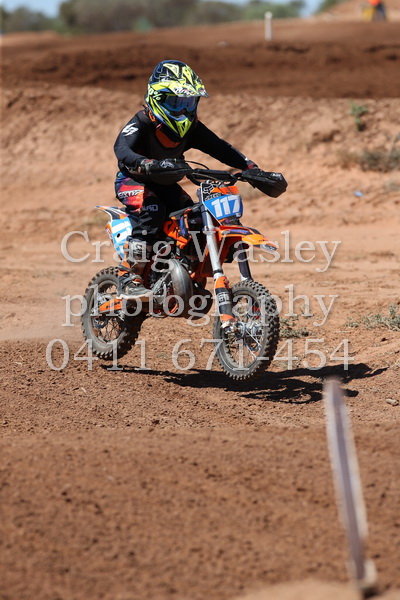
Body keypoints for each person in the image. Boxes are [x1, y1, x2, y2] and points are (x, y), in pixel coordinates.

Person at [114, 60, 257, 301]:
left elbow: (221, 148)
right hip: (133, 182)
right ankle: (130, 277)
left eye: (188, 102)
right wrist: (145, 162)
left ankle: (184, 270)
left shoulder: (192, 128)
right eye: (176, 102)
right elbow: (122, 149)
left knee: (193, 218)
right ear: (157, 98)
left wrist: (251, 168)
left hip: (167, 184)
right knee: (152, 209)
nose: (183, 110)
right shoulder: (142, 122)